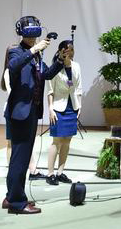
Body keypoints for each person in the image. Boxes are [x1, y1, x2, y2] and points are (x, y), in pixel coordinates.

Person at [3, 16, 64, 215]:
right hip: (20, 113)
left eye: (34, 35)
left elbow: (46, 75)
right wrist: (34, 49)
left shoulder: (36, 56)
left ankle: (11, 196)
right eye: (29, 34)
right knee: (20, 159)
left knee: (20, 157)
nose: (32, 38)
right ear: (22, 33)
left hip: (31, 112)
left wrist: (59, 60)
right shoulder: (16, 51)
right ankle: (17, 203)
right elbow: (13, 66)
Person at [0, 49, 47, 180]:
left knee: (25, 143)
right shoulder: (10, 71)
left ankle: (32, 169)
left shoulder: (25, 69)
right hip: (14, 110)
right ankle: (12, 170)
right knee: (12, 143)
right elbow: (12, 92)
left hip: (23, 110)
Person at [45, 40, 81, 185]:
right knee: (57, 141)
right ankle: (50, 174)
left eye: (72, 49)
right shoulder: (54, 68)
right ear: (60, 51)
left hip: (72, 107)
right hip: (58, 108)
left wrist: (80, 106)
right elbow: (50, 91)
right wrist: (50, 109)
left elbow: (78, 88)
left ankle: (60, 172)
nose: (70, 52)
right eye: (66, 50)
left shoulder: (76, 66)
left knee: (67, 141)